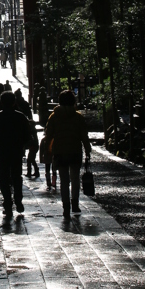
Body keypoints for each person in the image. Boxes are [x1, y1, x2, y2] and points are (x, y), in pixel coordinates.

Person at [44, 89, 91, 219]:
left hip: (59, 151)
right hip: (75, 151)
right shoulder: (78, 117)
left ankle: (65, 207)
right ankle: (75, 203)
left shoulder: (54, 117)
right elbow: (84, 136)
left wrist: (47, 150)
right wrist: (87, 149)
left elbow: (49, 135)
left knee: (64, 180)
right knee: (75, 179)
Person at [0, 91, 31, 218]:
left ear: (1, 102)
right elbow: (27, 134)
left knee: (4, 177)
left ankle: (7, 202)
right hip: (16, 150)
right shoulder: (20, 116)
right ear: (14, 102)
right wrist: (22, 144)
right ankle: (18, 199)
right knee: (17, 176)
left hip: (2, 150)